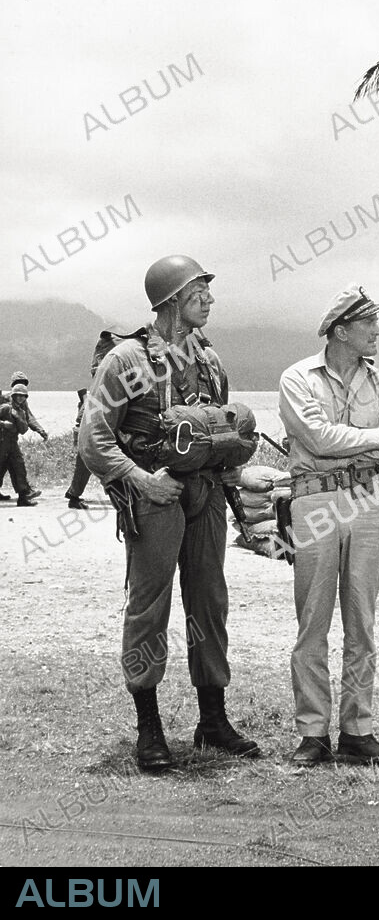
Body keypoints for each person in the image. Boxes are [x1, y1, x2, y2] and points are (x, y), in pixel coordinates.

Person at [79, 255, 259, 771]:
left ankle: (213, 720)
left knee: (209, 605)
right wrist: (140, 480)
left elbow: (218, 435)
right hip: (154, 500)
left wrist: (235, 481)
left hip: (205, 498)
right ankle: (149, 728)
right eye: (199, 290)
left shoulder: (211, 360)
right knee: (148, 608)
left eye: (206, 290)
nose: (209, 299)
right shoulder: (127, 362)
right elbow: (94, 439)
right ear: (171, 299)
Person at [278, 284, 379, 767]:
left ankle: (357, 730)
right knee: (312, 620)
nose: (377, 330)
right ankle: (312, 733)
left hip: (368, 500)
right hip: (315, 502)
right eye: (368, 322)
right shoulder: (298, 378)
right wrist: (373, 439)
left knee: (362, 619)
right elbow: (314, 437)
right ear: (340, 331)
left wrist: (348, 445)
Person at [0, 371, 45, 501]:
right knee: (8, 465)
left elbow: (29, 417)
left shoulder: (22, 401)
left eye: (23, 384)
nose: (21, 386)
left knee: (14, 465)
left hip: (11, 440)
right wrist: (3, 424)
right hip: (2, 440)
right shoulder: (4, 401)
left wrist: (40, 430)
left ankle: (24, 492)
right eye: (17, 383)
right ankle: (24, 492)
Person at [65, 389, 92, 509]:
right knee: (84, 467)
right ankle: (73, 496)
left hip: (90, 435)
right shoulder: (91, 398)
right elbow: (81, 419)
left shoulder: (91, 397)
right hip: (90, 436)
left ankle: (73, 492)